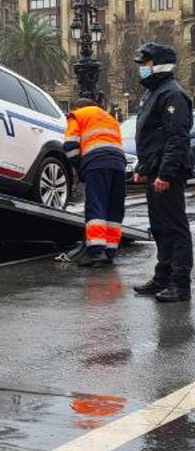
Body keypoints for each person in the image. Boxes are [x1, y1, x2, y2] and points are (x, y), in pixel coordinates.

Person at [130, 42, 193, 302]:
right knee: (159, 226)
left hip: (168, 173)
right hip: (155, 170)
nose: (142, 69)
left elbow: (176, 138)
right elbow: (151, 137)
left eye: (145, 64)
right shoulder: (154, 94)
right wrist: (144, 168)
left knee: (174, 227)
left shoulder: (172, 95)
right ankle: (162, 276)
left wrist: (165, 174)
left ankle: (180, 284)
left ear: (159, 65)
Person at [63, 97, 126, 266]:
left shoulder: (77, 115)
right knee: (114, 207)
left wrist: (79, 167)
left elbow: (70, 146)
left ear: (78, 107)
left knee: (96, 204)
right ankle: (109, 252)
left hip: (97, 163)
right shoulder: (109, 117)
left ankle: (96, 252)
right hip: (119, 163)